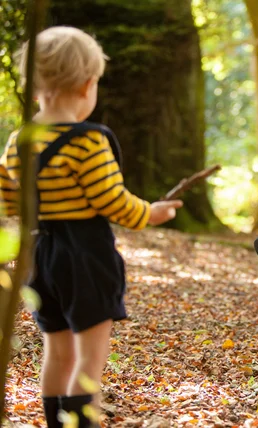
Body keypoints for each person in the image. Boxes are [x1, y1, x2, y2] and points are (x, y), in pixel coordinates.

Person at [0, 27, 183, 426]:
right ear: (87, 85)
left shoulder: (19, 140)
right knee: (88, 361)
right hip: (86, 256)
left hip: (41, 255)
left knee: (57, 353)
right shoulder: (89, 141)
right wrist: (151, 213)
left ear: (34, 89)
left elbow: (11, 200)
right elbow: (111, 201)